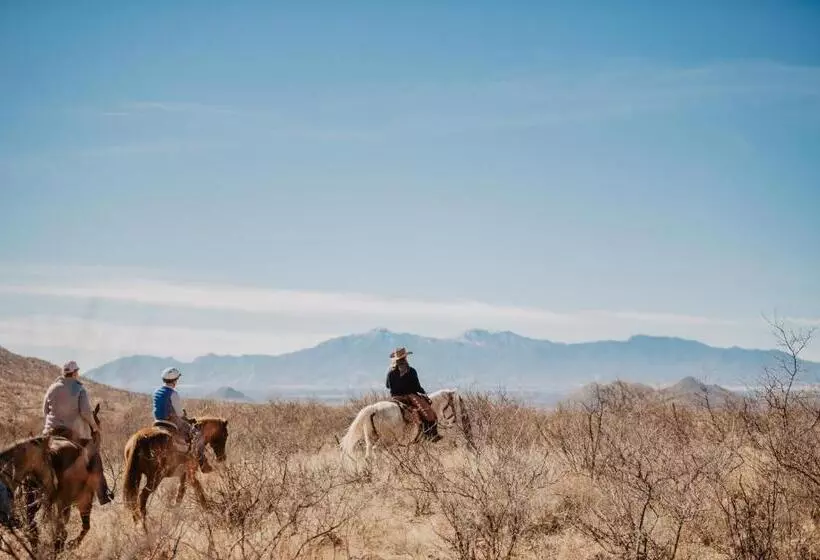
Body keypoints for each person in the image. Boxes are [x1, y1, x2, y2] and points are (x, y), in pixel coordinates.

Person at [42, 360, 114, 505]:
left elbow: (45, 410)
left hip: (49, 433)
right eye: (77, 372)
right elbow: (86, 412)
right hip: (71, 433)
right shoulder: (79, 389)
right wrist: (94, 427)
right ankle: (103, 494)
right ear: (75, 373)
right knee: (94, 457)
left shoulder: (52, 387)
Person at [152, 367, 211, 472]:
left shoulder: (156, 391)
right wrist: (185, 416)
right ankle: (203, 464)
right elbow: (179, 414)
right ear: (174, 380)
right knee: (197, 435)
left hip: (157, 421)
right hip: (170, 421)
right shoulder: (173, 393)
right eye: (177, 379)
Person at [385, 347, 442, 442]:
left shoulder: (390, 372)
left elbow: (387, 386)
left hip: (395, 398)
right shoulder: (411, 371)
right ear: (406, 358)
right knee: (428, 412)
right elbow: (417, 387)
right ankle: (431, 435)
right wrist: (423, 393)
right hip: (410, 397)